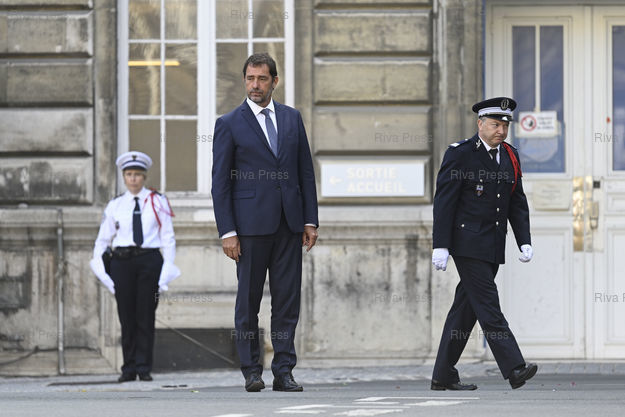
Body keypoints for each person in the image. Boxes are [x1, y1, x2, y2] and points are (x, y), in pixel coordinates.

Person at [211, 53, 319, 392]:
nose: (255, 85)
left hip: (289, 225)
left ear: (275, 81)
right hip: (249, 229)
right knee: (248, 303)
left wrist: (310, 220)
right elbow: (220, 183)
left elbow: (305, 171)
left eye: (261, 78)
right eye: (250, 78)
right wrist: (228, 231)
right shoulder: (229, 123)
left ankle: (284, 371)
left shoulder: (291, 118)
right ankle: (251, 371)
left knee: (287, 303)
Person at [430, 97, 538, 390]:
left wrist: (524, 240)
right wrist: (441, 245)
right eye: (494, 124)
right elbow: (444, 202)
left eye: (504, 125)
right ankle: (514, 367)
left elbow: (517, 201)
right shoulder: (460, 154)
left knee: (465, 310)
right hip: (466, 244)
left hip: (492, 244)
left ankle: (443, 374)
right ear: (480, 124)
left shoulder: (510, 155)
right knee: (489, 305)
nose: (500, 131)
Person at [90, 151, 180, 383]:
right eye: (129, 174)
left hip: (149, 261)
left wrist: (166, 272)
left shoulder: (157, 201)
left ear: (144, 177)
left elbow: (168, 238)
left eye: (137, 174)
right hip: (122, 262)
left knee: (145, 315)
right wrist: (102, 271)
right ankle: (128, 368)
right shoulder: (115, 205)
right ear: (123, 177)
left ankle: (144, 367)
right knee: (126, 316)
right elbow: (103, 240)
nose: (133, 179)